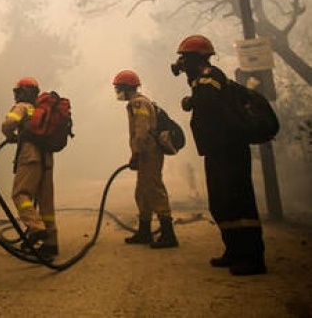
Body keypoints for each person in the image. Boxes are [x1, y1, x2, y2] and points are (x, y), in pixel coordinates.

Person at [171, 34, 266, 275]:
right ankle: (234, 251)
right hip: (217, 150)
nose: (181, 64)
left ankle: (252, 257)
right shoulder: (203, 82)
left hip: (229, 150)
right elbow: (211, 105)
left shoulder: (209, 78)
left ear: (197, 59)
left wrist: (194, 98)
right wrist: (192, 99)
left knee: (238, 202)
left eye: (184, 59)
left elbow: (214, 107)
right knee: (222, 202)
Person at [112, 70, 178, 249]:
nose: (118, 92)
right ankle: (144, 230)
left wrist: (136, 153)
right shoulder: (137, 102)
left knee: (154, 189)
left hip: (149, 152)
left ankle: (168, 234)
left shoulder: (139, 103)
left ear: (127, 87)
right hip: (146, 153)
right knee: (142, 191)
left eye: (119, 88)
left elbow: (142, 131)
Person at [1, 77, 58, 258]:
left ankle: (36, 228)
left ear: (20, 93)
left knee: (20, 194)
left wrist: (10, 135)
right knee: (45, 202)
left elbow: (8, 124)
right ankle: (51, 243)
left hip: (30, 157)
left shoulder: (22, 107)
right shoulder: (41, 110)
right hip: (47, 159)